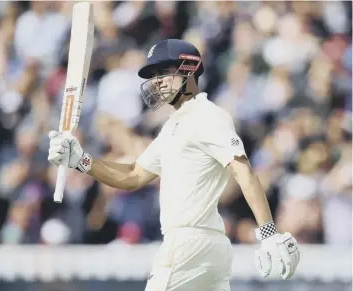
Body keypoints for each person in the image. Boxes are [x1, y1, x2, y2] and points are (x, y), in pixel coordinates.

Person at [48, 39, 300, 291]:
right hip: (206, 248)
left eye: (164, 72)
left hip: (189, 244)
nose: (157, 81)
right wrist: (80, 160)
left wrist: (268, 232)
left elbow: (243, 170)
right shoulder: (173, 126)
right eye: (154, 75)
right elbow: (133, 175)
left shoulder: (207, 115)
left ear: (188, 70)